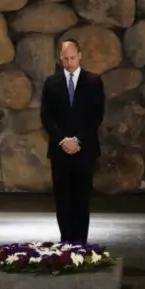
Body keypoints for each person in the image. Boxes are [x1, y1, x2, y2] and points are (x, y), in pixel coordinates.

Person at [40, 39, 105, 244]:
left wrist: (77, 139)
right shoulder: (51, 83)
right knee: (63, 199)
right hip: (60, 151)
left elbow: (96, 116)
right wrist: (62, 140)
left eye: (72, 58)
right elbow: (46, 116)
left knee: (82, 199)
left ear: (80, 55)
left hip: (84, 150)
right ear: (60, 58)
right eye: (65, 59)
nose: (69, 62)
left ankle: (80, 244)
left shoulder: (94, 81)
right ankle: (66, 242)